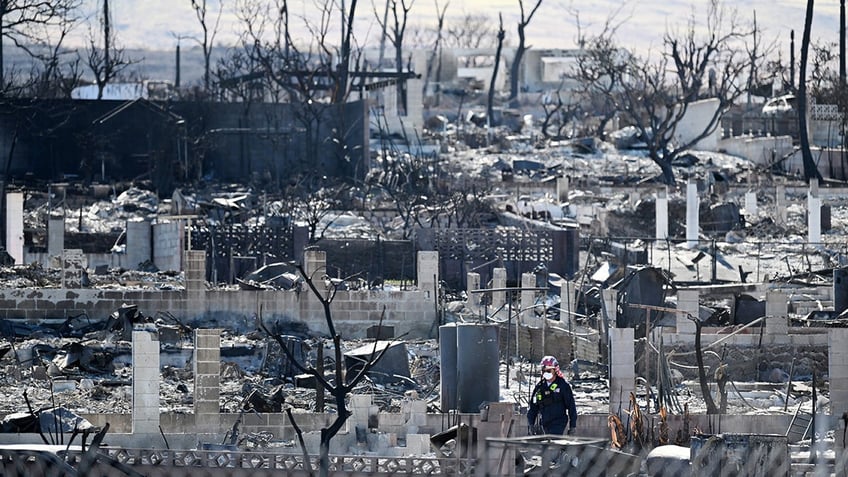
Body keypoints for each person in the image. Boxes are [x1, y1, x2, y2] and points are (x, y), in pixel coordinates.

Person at [527, 355, 577, 435]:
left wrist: (572, 426)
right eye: (544, 371)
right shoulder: (540, 387)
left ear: (555, 370)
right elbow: (533, 407)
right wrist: (531, 424)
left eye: (549, 371)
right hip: (544, 423)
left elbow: (571, 406)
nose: (546, 373)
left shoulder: (563, 385)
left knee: (553, 443)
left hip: (558, 422)